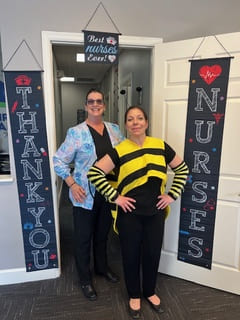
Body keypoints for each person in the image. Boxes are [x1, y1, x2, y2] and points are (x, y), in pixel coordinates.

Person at [87, 106, 189, 318]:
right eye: (131, 119)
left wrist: (171, 195)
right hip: (129, 215)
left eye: (140, 118)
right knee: (131, 256)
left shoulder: (160, 146)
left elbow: (182, 169)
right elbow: (95, 173)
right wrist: (116, 197)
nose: (135, 122)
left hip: (155, 213)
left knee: (152, 254)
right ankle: (134, 295)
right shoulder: (120, 149)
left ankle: (150, 292)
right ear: (126, 125)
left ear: (146, 122)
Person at [53, 88, 124, 301]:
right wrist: (72, 184)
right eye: (91, 101)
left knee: (103, 235)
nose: (95, 104)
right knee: (84, 238)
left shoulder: (114, 130)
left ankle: (102, 268)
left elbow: (123, 156)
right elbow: (58, 160)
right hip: (85, 195)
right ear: (86, 106)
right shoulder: (76, 132)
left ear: (104, 105)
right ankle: (85, 279)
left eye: (99, 101)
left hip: (108, 193)